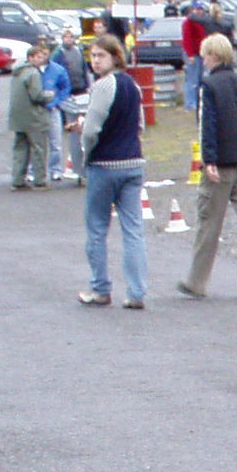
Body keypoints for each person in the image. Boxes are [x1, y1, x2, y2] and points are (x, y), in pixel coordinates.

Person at [177, 32, 237, 302]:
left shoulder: (209, 86)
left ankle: (197, 281)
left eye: (205, 54)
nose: (202, 59)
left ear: (214, 56)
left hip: (221, 165)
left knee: (209, 223)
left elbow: (207, 124)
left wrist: (209, 160)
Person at [77, 34, 147, 309]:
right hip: (133, 162)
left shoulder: (103, 86)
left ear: (115, 57)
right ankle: (137, 292)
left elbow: (91, 129)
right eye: (92, 56)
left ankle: (100, 287)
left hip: (105, 164)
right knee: (133, 231)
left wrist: (86, 153)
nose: (95, 61)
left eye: (100, 56)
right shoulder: (134, 86)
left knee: (96, 228)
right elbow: (140, 125)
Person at [6, 41, 55, 190]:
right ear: (31, 57)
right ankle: (40, 180)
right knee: (39, 149)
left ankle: (17, 180)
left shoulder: (17, 72)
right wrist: (49, 95)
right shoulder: (33, 73)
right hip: (34, 118)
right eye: (39, 57)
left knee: (20, 149)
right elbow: (36, 96)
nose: (42, 60)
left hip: (17, 117)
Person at [56, 32, 89, 184]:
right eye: (65, 37)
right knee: (73, 132)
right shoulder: (58, 54)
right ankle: (78, 169)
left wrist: (87, 86)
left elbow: (84, 69)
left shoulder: (79, 52)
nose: (68, 40)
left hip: (81, 90)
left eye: (70, 37)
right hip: (67, 94)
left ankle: (85, 168)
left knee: (84, 130)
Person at [41, 42, 71, 183]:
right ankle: (34, 170)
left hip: (53, 109)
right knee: (36, 143)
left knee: (56, 142)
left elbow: (65, 88)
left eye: (46, 52)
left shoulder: (58, 70)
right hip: (36, 111)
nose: (43, 56)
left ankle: (56, 170)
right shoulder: (32, 69)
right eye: (40, 53)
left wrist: (57, 101)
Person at [181, 1, 208, 110]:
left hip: (202, 53)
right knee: (192, 80)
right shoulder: (188, 22)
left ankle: (199, 102)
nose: (199, 11)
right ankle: (190, 104)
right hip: (192, 54)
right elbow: (187, 39)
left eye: (201, 9)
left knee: (201, 79)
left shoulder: (203, 21)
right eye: (197, 9)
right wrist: (190, 54)